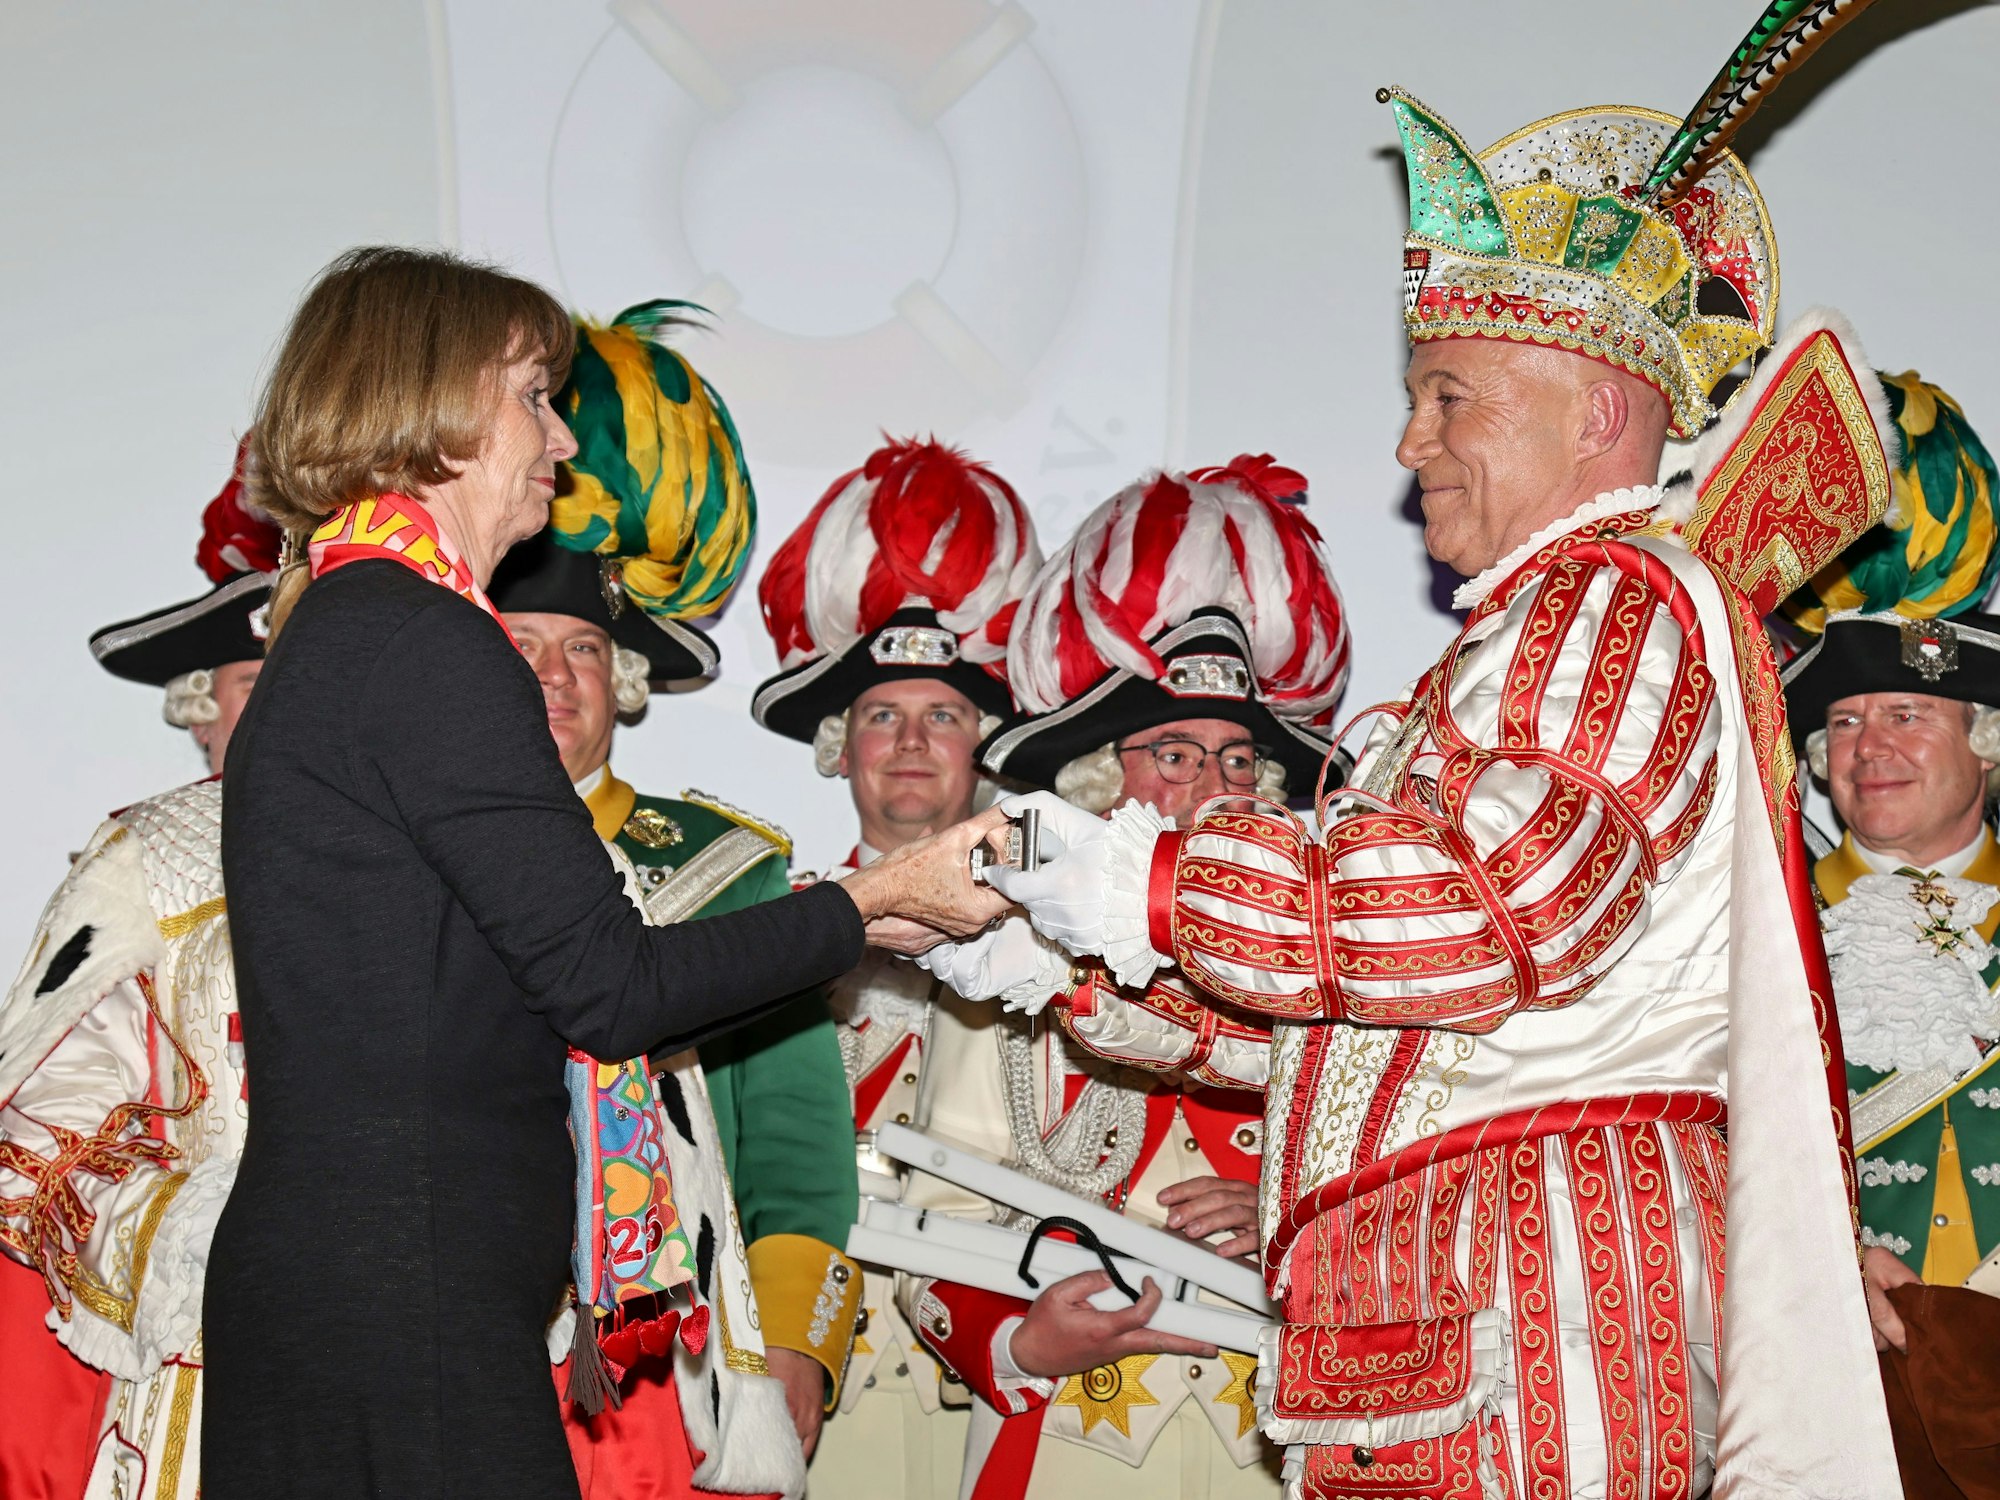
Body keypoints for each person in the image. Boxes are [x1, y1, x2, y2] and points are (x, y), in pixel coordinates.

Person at [973, 51, 1910, 1497]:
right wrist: (1069, 960)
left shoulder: (1609, 599)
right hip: (1460, 1311)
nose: (1411, 443)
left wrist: (1145, 879)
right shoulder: (1530, 637)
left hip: (1540, 1301)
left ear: (1596, 413)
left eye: (1448, 395)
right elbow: (1357, 1025)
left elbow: (1493, 907)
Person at [200, 245, 1007, 1499]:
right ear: (438, 407)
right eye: (532, 396)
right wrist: (873, 900)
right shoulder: (427, 641)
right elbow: (605, 986)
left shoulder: (349, 626)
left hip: (354, 1286)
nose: (561, 445)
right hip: (406, 1296)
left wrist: (855, 924)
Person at [905, 455, 1351, 1498]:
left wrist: (1283, 1208)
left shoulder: (1330, 970)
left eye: (1238, 761)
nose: (1213, 786)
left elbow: (1396, 1191)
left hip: (1268, 1442)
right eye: (1177, 756)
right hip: (1065, 1441)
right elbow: (934, 1216)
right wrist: (1019, 1344)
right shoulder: (1007, 961)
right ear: (1107, 780)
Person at [488, 299, 848, 1494]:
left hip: (677, 1352)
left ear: (622, 678)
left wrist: (796, 1336)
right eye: (519, 646)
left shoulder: (727, 868)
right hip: (462, 1337)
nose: (552, 675)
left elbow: (795, 1142)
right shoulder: (406, 857)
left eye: (580, 649)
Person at [749, 436, 1038, 1498]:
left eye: (942, 716)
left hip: (1000, 1361)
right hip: (817, 1357)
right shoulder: (770, 931)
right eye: (882, 715)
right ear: (841, 744)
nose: (910, 742)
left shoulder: (1058, 947)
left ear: (981, 744)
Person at [0, 443, 278, 1500]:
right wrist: (192, 1231)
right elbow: (39, 1122)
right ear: (197, 706)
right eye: (257, 683)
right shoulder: (144, 867)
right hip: (193, 1362)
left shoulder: (427, 852)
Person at [1779, 374, 2000, 1495]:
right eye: (1844, 723)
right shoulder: (1756, 934)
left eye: (1908, 714)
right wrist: (1799, 1269)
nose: (1869, 747)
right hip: (1827, 1396)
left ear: (1986, 744)